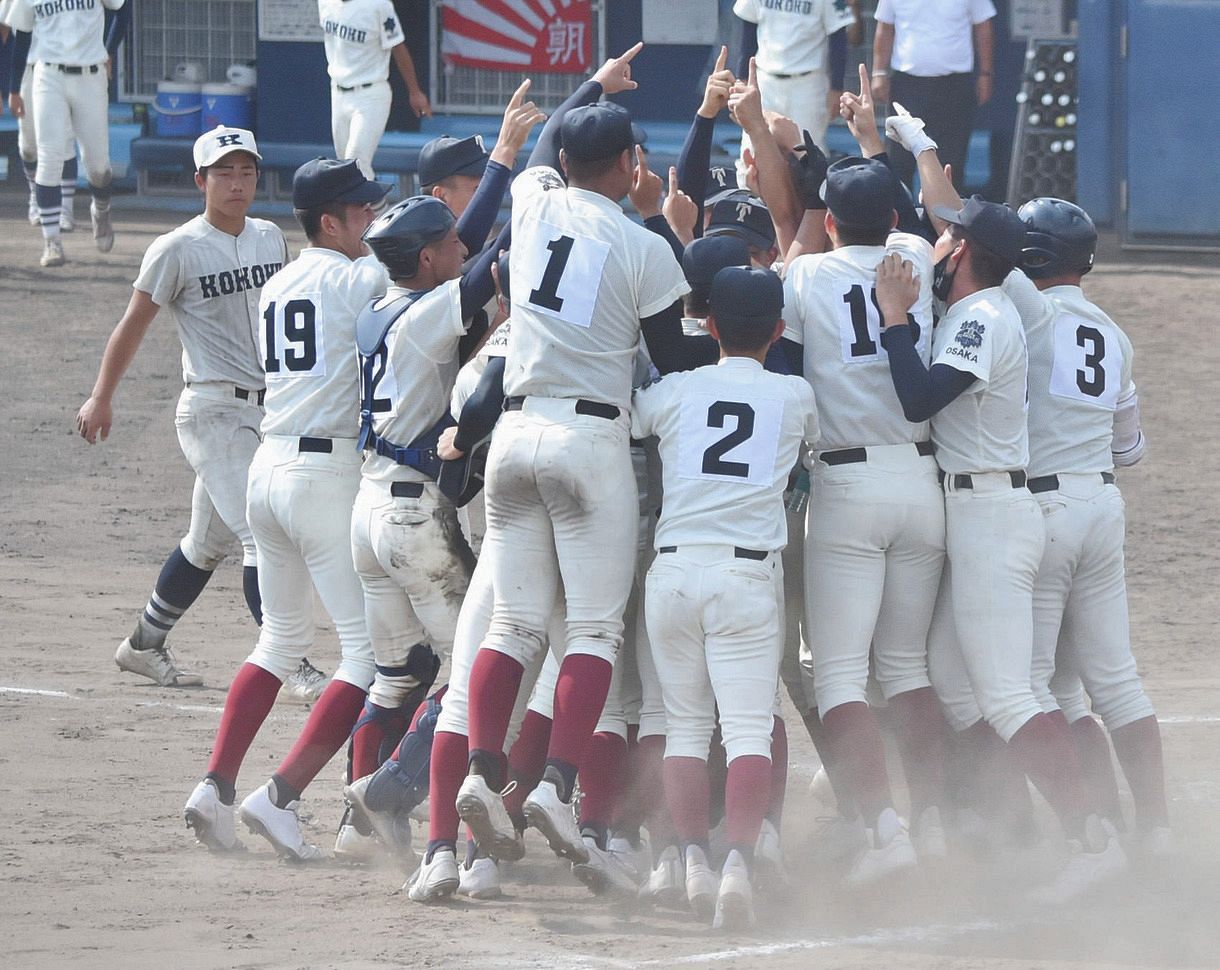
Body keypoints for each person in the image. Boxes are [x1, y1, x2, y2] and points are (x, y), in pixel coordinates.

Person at [452, 42, 693, 875]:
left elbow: (552, 134)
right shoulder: (645, 247)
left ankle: (485, 772)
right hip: (592, 442)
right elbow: (676, 358)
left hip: (514, 436)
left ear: (561, 162)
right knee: (591, 628)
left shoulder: (531, 199)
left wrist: (592, 84)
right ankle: (555, 785)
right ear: (631, 165)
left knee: (516, 625)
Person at [875, 190, 1127, 902]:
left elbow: (920, 399)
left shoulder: (983, 317)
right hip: (981, 510)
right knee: (955, 684)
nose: (939, 245)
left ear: (962, 253)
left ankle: (1091, 837)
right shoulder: (981, 310)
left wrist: (895, 320)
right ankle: (1005, 830)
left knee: (1011, 693)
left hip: (993, 516)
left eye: (948, 238)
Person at [183, 158, 390, 859]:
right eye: (361, 211)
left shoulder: (279, 283)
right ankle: (284, 798)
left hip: (266, 466)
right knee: (369, 655)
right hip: (322, 474)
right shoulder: (357, 275)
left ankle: (213, 788)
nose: (372, 220)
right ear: (329, 220)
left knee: (278, 641)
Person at [75, 126, 324, 702]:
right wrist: (101, 395)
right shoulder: (177, 248)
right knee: (263, 536)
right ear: (200, 181)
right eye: (223, 173)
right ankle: (293, 663)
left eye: (246, 171)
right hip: (212, 411)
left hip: (269, 413)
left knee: (206, 543)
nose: (237, 183)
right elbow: (132, 325)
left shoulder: (269, 238)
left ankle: (142, 644)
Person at [780, 155, 949, 885]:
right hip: (921, 482)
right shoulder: (911, 253)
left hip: (844, 487)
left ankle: (885, 833)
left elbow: (783, 373)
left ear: (826, 216)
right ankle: (938, 822)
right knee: (907, 669)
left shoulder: (804, 278)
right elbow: (916, 225)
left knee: (842, 675)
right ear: (889, 217)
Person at [634, 266, 818, 928]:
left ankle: (691, 862)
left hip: (675, 572)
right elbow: (814, 454)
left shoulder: (677, 390)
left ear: (708, 324)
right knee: (746, 731)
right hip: (745, 578)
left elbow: (634, 419)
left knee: (683, 728)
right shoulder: (795, 395)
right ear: (776, 329)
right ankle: (738, 863)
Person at [1008, 197, 1171, 855]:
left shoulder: (1028, 309)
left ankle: (1094, 829)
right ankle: (1155, 833)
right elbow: (1130, 451)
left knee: (1037, 684)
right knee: (1114, 678)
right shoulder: (1114, 332)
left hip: (1044, 512)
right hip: (1102, 509)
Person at [3, 0, 129, 266]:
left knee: (99, 168)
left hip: (91, 75)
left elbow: (123, 9)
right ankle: (52, 242)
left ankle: (101, 209)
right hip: (47, 75)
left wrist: (109, 50)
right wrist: (14, 89)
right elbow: (22, 38)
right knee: (49, 156)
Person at [318, 0, 432, 180]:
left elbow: (398, 47)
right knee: (345, 169)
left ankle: (378, 208)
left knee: (356, 162)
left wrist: (415, 92)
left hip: (371, 92)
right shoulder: (326, 2)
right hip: (338, 91)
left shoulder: (378, 5)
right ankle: (379, 208)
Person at [733, 0, 856, 163]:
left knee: (809, 153)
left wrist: (836, 88)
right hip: (764, 81)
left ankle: (814, 189)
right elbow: (748, 32)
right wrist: (742, 80)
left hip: (808, 84)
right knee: (751, 152)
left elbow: (838, 38)